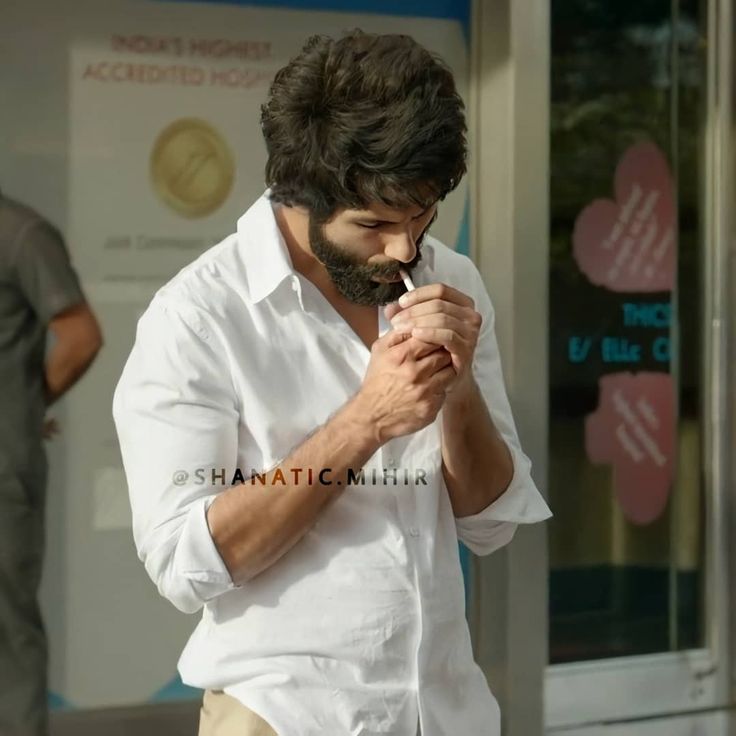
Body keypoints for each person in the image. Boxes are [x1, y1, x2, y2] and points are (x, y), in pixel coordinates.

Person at [113, 30, 551, 736]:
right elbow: (183, 564)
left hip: (445, 711)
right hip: (284, 716)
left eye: (422, 215)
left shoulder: (452, 280)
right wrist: (365, 422)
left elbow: (491, 525)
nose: (405, 249)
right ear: (297, 197)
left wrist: (458, 390)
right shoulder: (199, 316)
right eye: (374, 223)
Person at [0, 190, 103, 736]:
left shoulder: (20, 233)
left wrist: (23, 406)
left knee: (6, 637)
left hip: (2, 472)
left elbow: (81, 336)